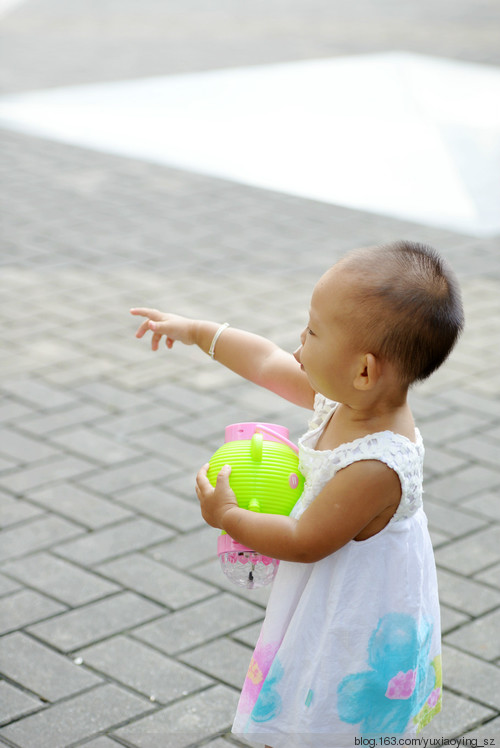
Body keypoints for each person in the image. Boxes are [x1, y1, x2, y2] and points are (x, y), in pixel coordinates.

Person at [131, 240, 464, 748]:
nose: (298, 340)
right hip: (330, 588)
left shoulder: (376, 465)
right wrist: (198, 332)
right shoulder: (351, 400)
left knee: (333, 706)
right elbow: (266, 360)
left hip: (356, 614)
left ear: (364, 369)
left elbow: (305, 540)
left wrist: (229, 517)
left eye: (312, 331)